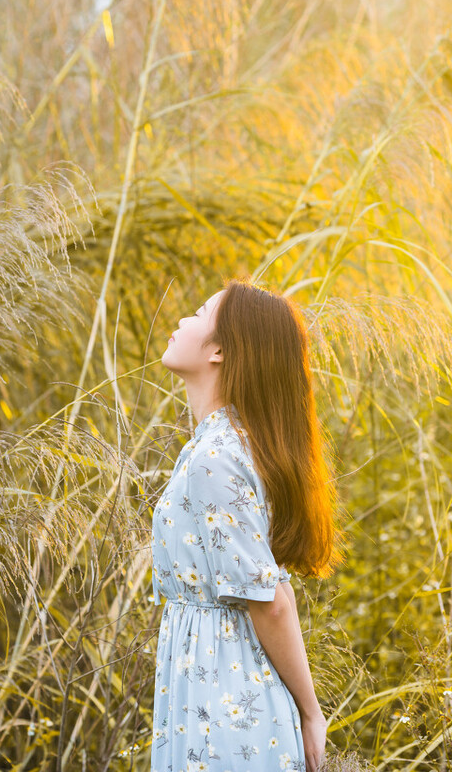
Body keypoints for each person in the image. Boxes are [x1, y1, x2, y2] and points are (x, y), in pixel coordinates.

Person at [150, 277, 343, 772]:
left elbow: (271, 603)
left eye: (196, 312)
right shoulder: (223, 444)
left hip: (225, 705)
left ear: (218, 350)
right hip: (211, 694)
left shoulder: (216, 456)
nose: (180, 320)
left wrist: (311, 713)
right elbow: (275, 587)